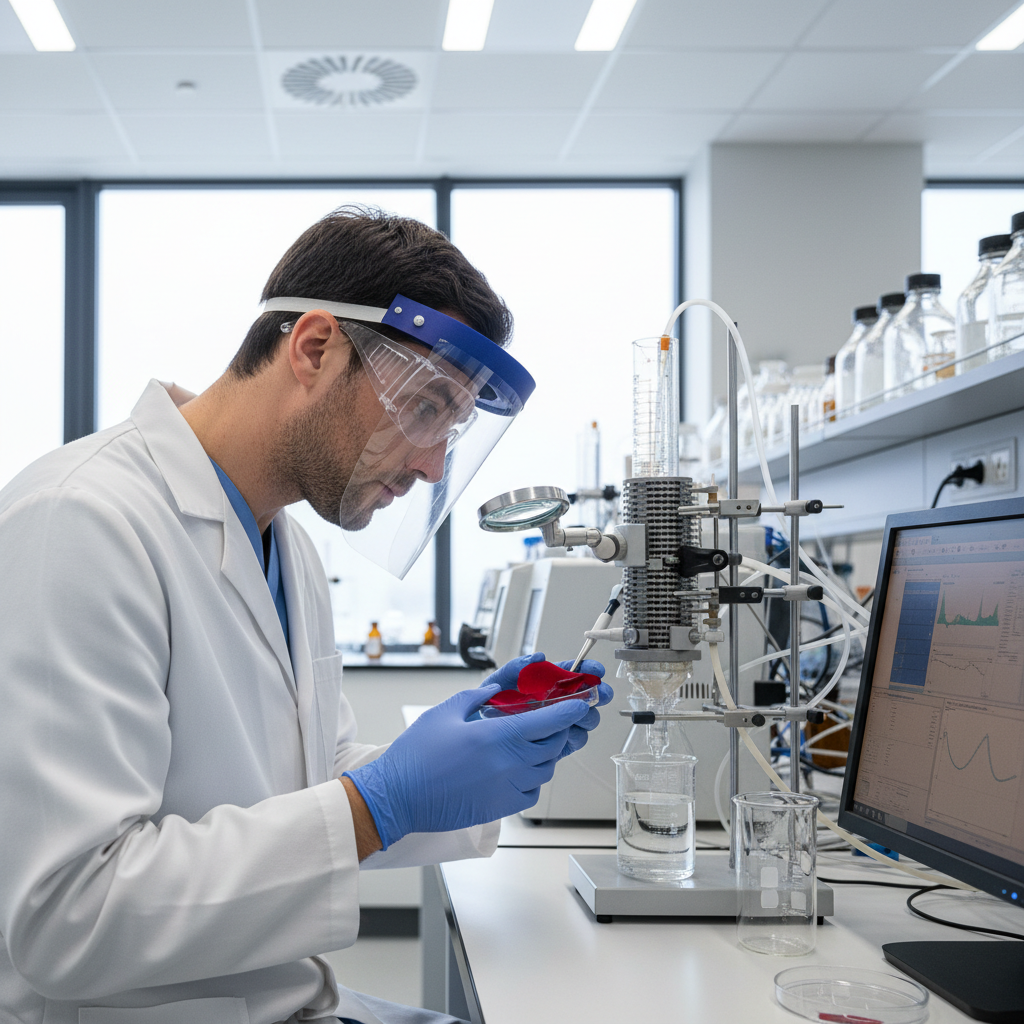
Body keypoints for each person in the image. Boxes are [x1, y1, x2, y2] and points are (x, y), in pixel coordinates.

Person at [0, 207, 612, 1024]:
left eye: (454, 429)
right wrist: (380, 801)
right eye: (426, 409)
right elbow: (69, 917)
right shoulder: (81, 520)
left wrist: (473, 762)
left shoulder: (287, 547)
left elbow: (299, 774)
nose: (434, 466)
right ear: (315, 347)